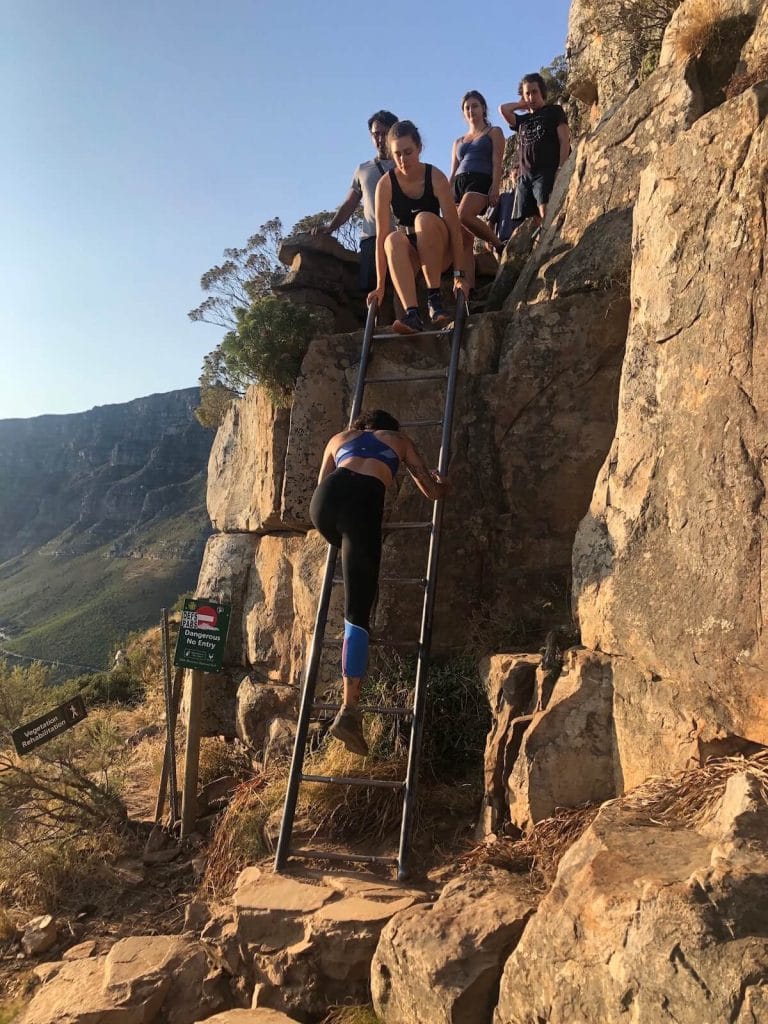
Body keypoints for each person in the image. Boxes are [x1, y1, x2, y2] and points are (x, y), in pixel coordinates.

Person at [310, 409, 449, 755]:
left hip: (323, 505)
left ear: (361, 427)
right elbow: (431, 492)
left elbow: (321, 482)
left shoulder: (339, 438)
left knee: (355, 569)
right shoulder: (399, 440)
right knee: (358, 614)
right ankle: (349, 710)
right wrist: (443, 481)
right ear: (390, 427)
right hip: (360, 509)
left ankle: (352, 556)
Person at [367, 120, 470, 335]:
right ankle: (411, 313)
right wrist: (380, 285)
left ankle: (435, 300)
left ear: (419, 148)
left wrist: (459, 274)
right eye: (398, 154)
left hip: (440, 249)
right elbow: (381, 237)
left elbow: (454, 227)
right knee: (392, 239)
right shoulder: (385, 184)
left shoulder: (435, 176)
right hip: (413, 255)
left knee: (423, 219)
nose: (403, 160)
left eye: (408, 152)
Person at [314, 110, 399, 293]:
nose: (380, 139)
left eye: (385, 133)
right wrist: (330, 227)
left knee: (401, 285)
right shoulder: (363, 169)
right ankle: (374, 323)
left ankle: (405, 321)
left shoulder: (404, 165)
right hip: (371, 237)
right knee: (370, 290)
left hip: (399, 236)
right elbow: (350, 203)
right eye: (376, 134)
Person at [448, 91, 506, 287]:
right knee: (463, 238)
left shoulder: (494, 132)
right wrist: (444, 195)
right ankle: (468, 291)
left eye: (475, 106)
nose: (471, 110)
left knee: (464, 215)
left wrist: (495, 186)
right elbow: (453, 170)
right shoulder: (458, 141)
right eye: (467, 107)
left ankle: (498, 245)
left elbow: (497, 161)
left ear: (483, 108)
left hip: (480, 179)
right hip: (459, 183)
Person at [498, 73, 570, 227]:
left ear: (542, 91)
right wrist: (521, 105)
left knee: (546, 211)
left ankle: (549, 241)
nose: (531, 97)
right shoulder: (522, 121)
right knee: (530, 221)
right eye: (527, 93)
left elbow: (564, 140)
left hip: (545, 170)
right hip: (525, 176)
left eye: (534, 92)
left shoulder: (554, 111)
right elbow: (503, 109)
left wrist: (561, 167)